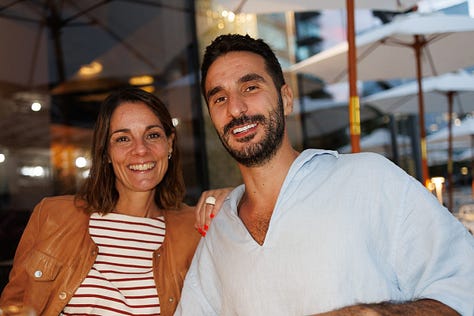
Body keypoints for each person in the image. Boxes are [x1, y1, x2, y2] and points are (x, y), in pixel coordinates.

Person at [175, 34, 474, 316]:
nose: (236, 109)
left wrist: (372, 313)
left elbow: (465, 284)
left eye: (250, 87)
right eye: (219, 98)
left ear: (286, 99)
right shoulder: (219, 233)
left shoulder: (368, 179)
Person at [0, 87, 229, 315]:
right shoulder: (52, 215)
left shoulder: (194, 228)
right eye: (122, 138)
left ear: (169, 143)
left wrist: (236, 198)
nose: (140, 149)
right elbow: (14, 304)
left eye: (152, 135)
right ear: (106, 152)